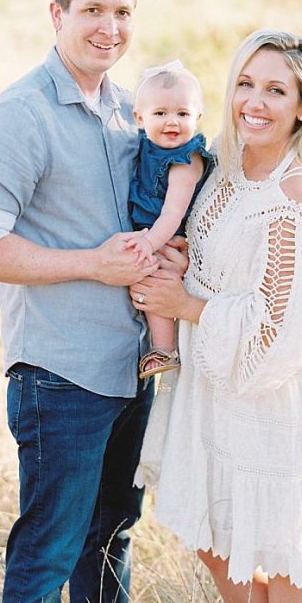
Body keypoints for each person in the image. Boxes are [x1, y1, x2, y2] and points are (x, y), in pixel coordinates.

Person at [0, 0, 188, 603]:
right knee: (47, 556)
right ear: (57, 13)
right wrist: (91, 264)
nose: (109, 27)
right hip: (60, 377)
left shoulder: (127, 109)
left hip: (128, 372)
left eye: (122, 12)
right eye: (92, 10)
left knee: (109, 539)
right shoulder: (20, 115)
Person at [130, 29, 302, 603]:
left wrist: (184, 306)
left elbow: (280, 329)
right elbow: (215, 260)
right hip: (210, 388)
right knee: (208, 534)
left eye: (276, 90)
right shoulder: (223, 169)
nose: (254, 101)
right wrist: (181, 265)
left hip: (267, 400)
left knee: (277, 551)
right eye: (246, 84)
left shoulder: (296, 194)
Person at [124, 61, 214, 380]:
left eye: (183, 114)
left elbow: (173, 212)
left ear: (197, 117)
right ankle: (158, 345)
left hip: (168, 236)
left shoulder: (185, 159)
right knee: (143, 281)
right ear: (140, 118)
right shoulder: (146, 146)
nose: (172, 122)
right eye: (160, 114)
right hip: (151, 231)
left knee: (154, 279)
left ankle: (164, 350)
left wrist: (147, 242)